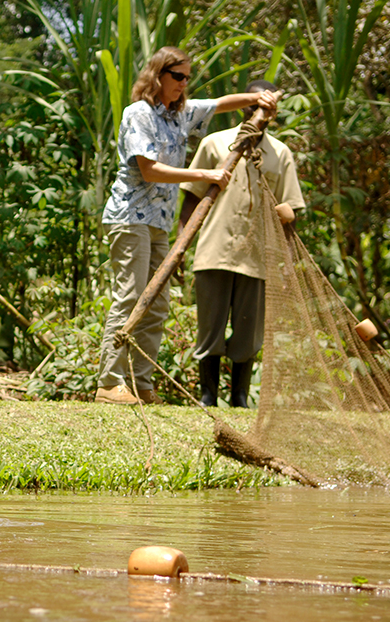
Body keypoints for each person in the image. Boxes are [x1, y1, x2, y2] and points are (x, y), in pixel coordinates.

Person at [95, 46, 279, 405]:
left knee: (158, 303)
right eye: (177, 76)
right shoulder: (140, 114)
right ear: (157, 75)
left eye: (187, 77)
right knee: (130, 296)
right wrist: (204, 173)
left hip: (158, 223)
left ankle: (139, 383)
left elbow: (222, 103)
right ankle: (109, 382)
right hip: (130, 217)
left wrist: (258, 97)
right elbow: (149, 170)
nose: (183, 83)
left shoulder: (180, 115)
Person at [181, 80, 304, 408]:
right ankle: (207, 395)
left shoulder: (280, 154)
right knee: (210, 327)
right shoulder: (215, 144)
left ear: (273, 112)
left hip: (257, 255)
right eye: (252, 104)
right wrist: (182, 243)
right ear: (244, 105)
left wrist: (287, 253)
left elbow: (291, 208)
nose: (257, 112)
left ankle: (239, 396)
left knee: (249, 333)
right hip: (214, 249)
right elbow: (191, 199)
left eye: (264, 107)